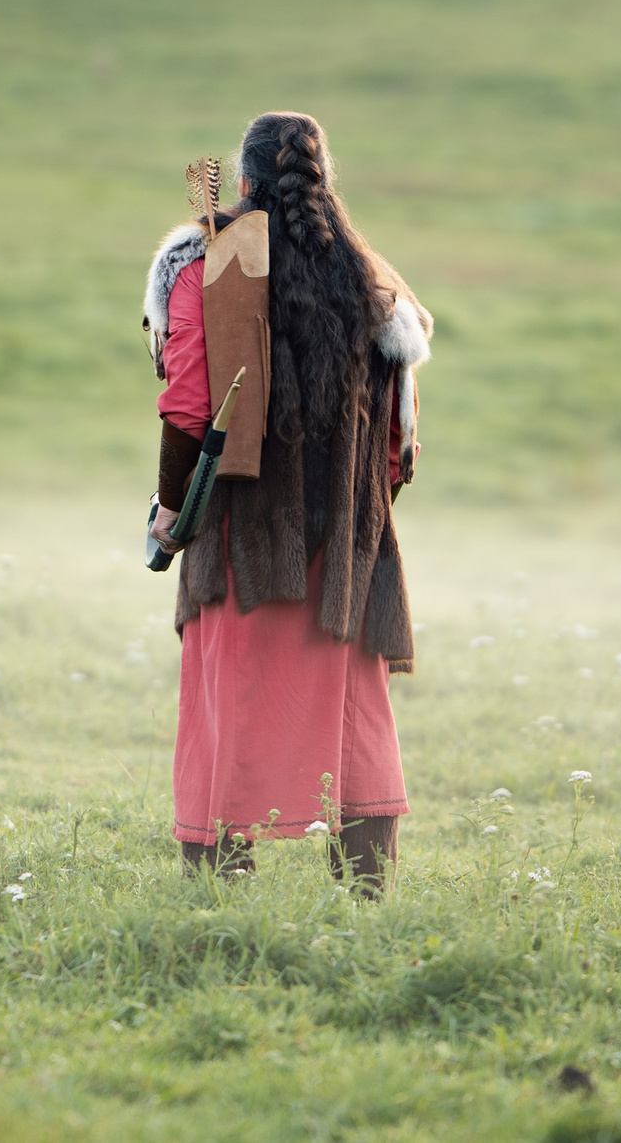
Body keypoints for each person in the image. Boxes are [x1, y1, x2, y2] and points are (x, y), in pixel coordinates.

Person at [142, 111, 432, 893]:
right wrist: (360, 512)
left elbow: (190, 404)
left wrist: (173, 509)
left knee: (230, 704)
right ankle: (366, 889)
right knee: (351, 708)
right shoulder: (371, 278)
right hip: (343, 538)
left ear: (243, 182)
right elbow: (402, 433)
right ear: (322, 184)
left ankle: (218, 891)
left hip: (243, 533)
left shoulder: (206, 258)